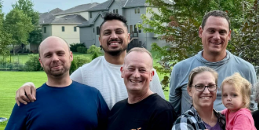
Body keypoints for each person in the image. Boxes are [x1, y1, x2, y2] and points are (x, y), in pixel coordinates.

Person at [15, 13, 165, 110]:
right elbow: (58, 87)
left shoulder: (148, 74)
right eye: (107, 33)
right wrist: (29, 86)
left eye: (119, 32)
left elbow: (160, 108)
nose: (113, 36)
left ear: (128, 37)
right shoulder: (86, 73)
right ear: (100, 40)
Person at [168, 10, 257, 115]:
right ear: (201, 32)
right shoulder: (181, 69)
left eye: (222, 32)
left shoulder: (245, 69)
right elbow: (173, 114)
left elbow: (252, 113)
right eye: (211, 31)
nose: (216, 37)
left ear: (229, 35)